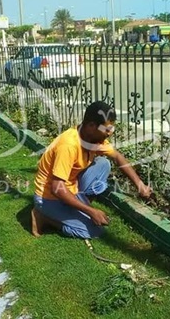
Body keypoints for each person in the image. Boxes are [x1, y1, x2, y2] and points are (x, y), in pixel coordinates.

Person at [32, 101, 152, 239]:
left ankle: (78, 206)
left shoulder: (94, 139)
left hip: (70, 187)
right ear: (91, 126)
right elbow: (57, 188)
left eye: (111, 129)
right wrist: (90, 211)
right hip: (48, 197)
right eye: (106, 129)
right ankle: (43, 216)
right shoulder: (69, 145)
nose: (109, 134)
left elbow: (118, 157)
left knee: (103, 164)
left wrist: (140, 185)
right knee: (93, 231)